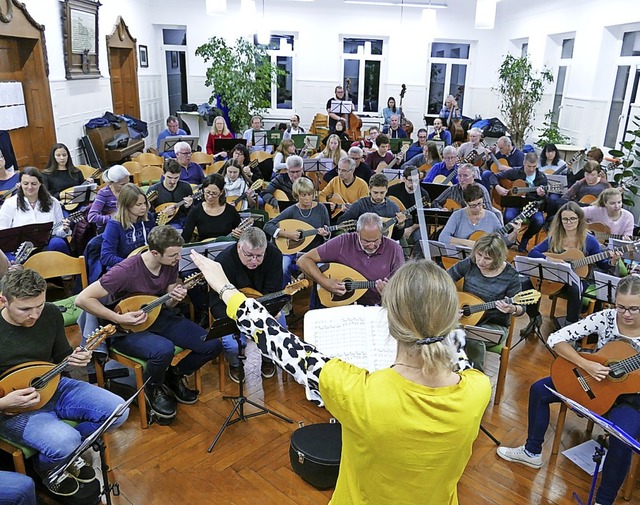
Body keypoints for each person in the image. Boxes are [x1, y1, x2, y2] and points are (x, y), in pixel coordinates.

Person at [192, 251, 490, 504]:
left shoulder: (361, 393)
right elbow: (456, 352)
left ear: (390, 320)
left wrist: (225, 289)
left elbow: (282, 344)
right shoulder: (478, 388)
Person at [497, 274, 640, 505]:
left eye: (634, 309)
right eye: (621, 306)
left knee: (622, 438)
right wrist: (587, 364)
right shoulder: (606, 317)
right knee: (539, 390)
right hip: (591, 380)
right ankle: (532, 452)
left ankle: (604, 501)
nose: (625, 314)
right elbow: (556, 338)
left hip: (628, 397)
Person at [0, 268, 128, 498]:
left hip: (54, 385)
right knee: (64, 440)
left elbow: (60, 358)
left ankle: (57, 457)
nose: (34, 315)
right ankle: (53, 464)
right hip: (11, 408)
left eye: (39, 306)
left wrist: (78, 358)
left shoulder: (50, 314)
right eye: (25, 309)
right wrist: (4, 402)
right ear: (3, 300)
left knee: (119, 411)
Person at [75, 225, 222, 421]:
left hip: (157, 315)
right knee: (163, 350)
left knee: (212, 343)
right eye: (173, 255)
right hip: (125, 327)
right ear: (154, 252)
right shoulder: (125, 270)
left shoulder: (170, 263)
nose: (178, 259)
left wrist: (176, 296)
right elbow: (82, 299)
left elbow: (168, 301)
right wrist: (119, 318)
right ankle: (152, 387)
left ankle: (173, 375)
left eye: (179, 254)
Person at [524, 201, 615, 329]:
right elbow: (533, 253)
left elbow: (603, 265)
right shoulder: (555, 237)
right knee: (527, 284)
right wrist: (551, 260)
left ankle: (570, 327)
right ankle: (534, 317)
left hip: (578, 279)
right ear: (560, 221)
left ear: (579, 219)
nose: (568, 222)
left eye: (572, 219)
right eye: (565, 219)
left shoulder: (589, 240)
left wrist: (613, 260)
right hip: (555, 278)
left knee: (575, 289)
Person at [209, 227, 282, 382]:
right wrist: (240, 318)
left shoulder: (274, 255)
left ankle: (268, 359)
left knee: (278, 333)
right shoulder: (223, 261)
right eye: (249, 255)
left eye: (259, 256)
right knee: (233, 345)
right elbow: (215, 302)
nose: (254, 261)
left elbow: (273, 290)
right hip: (231, 311)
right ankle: (235, 364)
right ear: (239, 247)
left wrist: (268, 311)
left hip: (263, 307)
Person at [447, 233, 524, 371]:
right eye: (479, 254)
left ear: (498, 258)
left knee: (472, 339)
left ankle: (474, 379)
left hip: (494, 326)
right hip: (464, 319)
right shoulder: (471, 263)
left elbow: (521, 308)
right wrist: (452, 304)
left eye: (487, 258)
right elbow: (445, 279)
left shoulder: (510, 275)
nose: (481, 261)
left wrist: (512, 309)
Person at [300, 212, 405, 307]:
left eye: (376, 240)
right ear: (357, 234)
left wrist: (389, 293)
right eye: (366, 241)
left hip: (377, 307)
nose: (372, 245)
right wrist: (325, 282)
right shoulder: (343, 242)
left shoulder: (394, 249)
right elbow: (304, 260)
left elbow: (402, 286)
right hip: (342, 306)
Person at [264, 177, 330, 286]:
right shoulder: (292, 210)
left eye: (310, 194)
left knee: (323, 269)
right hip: (292, 251)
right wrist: (287, 234)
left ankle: (316, 299)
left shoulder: (321, 208)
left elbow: (328, 231)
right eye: (303, 195)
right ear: (296, 195)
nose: (308, 198)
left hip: (314, 251)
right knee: (283, 267)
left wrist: (326, 234)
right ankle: (285, 296)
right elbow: (268, 225)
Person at [0, 167, 71, 255]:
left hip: (46, 244)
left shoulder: (53, 202)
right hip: (19, 249)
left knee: (58, 243)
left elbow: (58, 230)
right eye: (25, 183)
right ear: (20, 184)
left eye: (33, 183)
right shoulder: (9, 204)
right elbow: (3, 231)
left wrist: (65, 229)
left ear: (40, 183)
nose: (29, 187)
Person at [487, 152, 547, 252]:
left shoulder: (541, 177)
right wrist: (498, 187)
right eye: (529, 166)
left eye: (534, 166)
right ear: (524, 163)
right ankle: (510, 239)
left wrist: (543, 194)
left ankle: (525, 239)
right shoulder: (514, 172)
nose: (531, 169)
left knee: (539, 221)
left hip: (532, 207)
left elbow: (546, 197)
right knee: (508, 217)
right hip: (514, 204)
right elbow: (493, 177)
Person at [439, 184, 519, 247]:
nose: (477, 208)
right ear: (466, 203)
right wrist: (467, 243)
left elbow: (503, 241)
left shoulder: (491, 217)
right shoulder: (458, 215)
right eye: (473, 205)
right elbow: (443, 238)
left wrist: (514, 233)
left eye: (480, 203)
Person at [337, 173, 407, 240]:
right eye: (375, 192)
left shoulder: (393, 207)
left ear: (387, 190)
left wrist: (400, 225)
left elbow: (396, 237)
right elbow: (341, 222)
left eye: (382, 192)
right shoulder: (360, 204)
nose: (379, 196)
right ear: (369, 189)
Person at [101, 183, 153, 269]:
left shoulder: (148, 217)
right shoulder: (114, 225)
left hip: (146, 264)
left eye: (144, 203)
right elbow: (106, 257)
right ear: (126, 205)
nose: (144, 207)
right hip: (124, 268)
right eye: (138, 205)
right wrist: (131, 263)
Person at [182, 173, 243, 243]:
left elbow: (240, 234)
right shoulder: (196, 211)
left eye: (214, 193)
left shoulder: (230, 211)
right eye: (207, 192)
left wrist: (239, 234)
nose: (210, 197)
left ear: (221, 192)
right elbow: (185, 237)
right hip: (204, 250)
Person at [387, 167, 431, 257]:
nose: (414, 184)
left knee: (421, 238)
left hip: (415, 224)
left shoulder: (423, 195)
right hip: (396, 221)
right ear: (404, 179)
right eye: (410, 180)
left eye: (416, 180)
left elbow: (425, 218)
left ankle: (416, 262)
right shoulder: (393, 190)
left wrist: (411, 229)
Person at [546, 160, 611, 219]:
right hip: (578, 213)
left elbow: (612, 200)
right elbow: (565, 197)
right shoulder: (580, 183)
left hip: (596, 215)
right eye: (587, 174)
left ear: (598, 174)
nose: (589, 178)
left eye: (593, 175)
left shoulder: (604, 184)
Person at [148, 159, 194, 229]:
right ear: (163, 173)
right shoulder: (154, 190)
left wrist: (189, 206)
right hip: (166, 224)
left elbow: (192, 213)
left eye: (176, 178)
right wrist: (163, 214)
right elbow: (148, 216)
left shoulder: (185, 187)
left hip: (184, 220)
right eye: (169, 177)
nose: (173, 181)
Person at [87, 164, 130, 233]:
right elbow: (92, 217)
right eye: (122, 184)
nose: (126, 187)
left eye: (128, 183)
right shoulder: (104, 193)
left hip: (128, 226)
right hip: (109, 229)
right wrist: (113, 218)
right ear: (111, 182)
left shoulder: (130, 190)